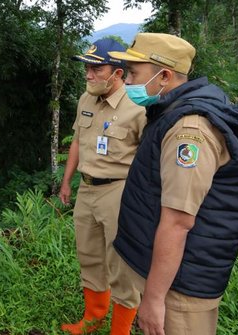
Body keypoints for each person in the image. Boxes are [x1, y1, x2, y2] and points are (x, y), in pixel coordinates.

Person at [108, 33, 238, 335]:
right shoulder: (172, 111)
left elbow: (178, 222)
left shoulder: (189, 129)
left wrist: (154, 298)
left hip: (182, 286)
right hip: (175, 273)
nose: (129, 80)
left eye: (135, 73)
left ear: (164, 75)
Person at [58, 38, 146, 335]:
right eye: (87, 68)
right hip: (87, 189)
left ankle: (119, 330)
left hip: (119, 192)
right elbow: (78, 144)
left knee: (121, 263)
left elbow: (151, 159)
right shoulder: (86, 99)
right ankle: (93, 317)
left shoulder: (138, 107)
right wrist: (67, 181)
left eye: (96, 68)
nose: (88, 75)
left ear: (118, 73)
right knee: (89, 255)